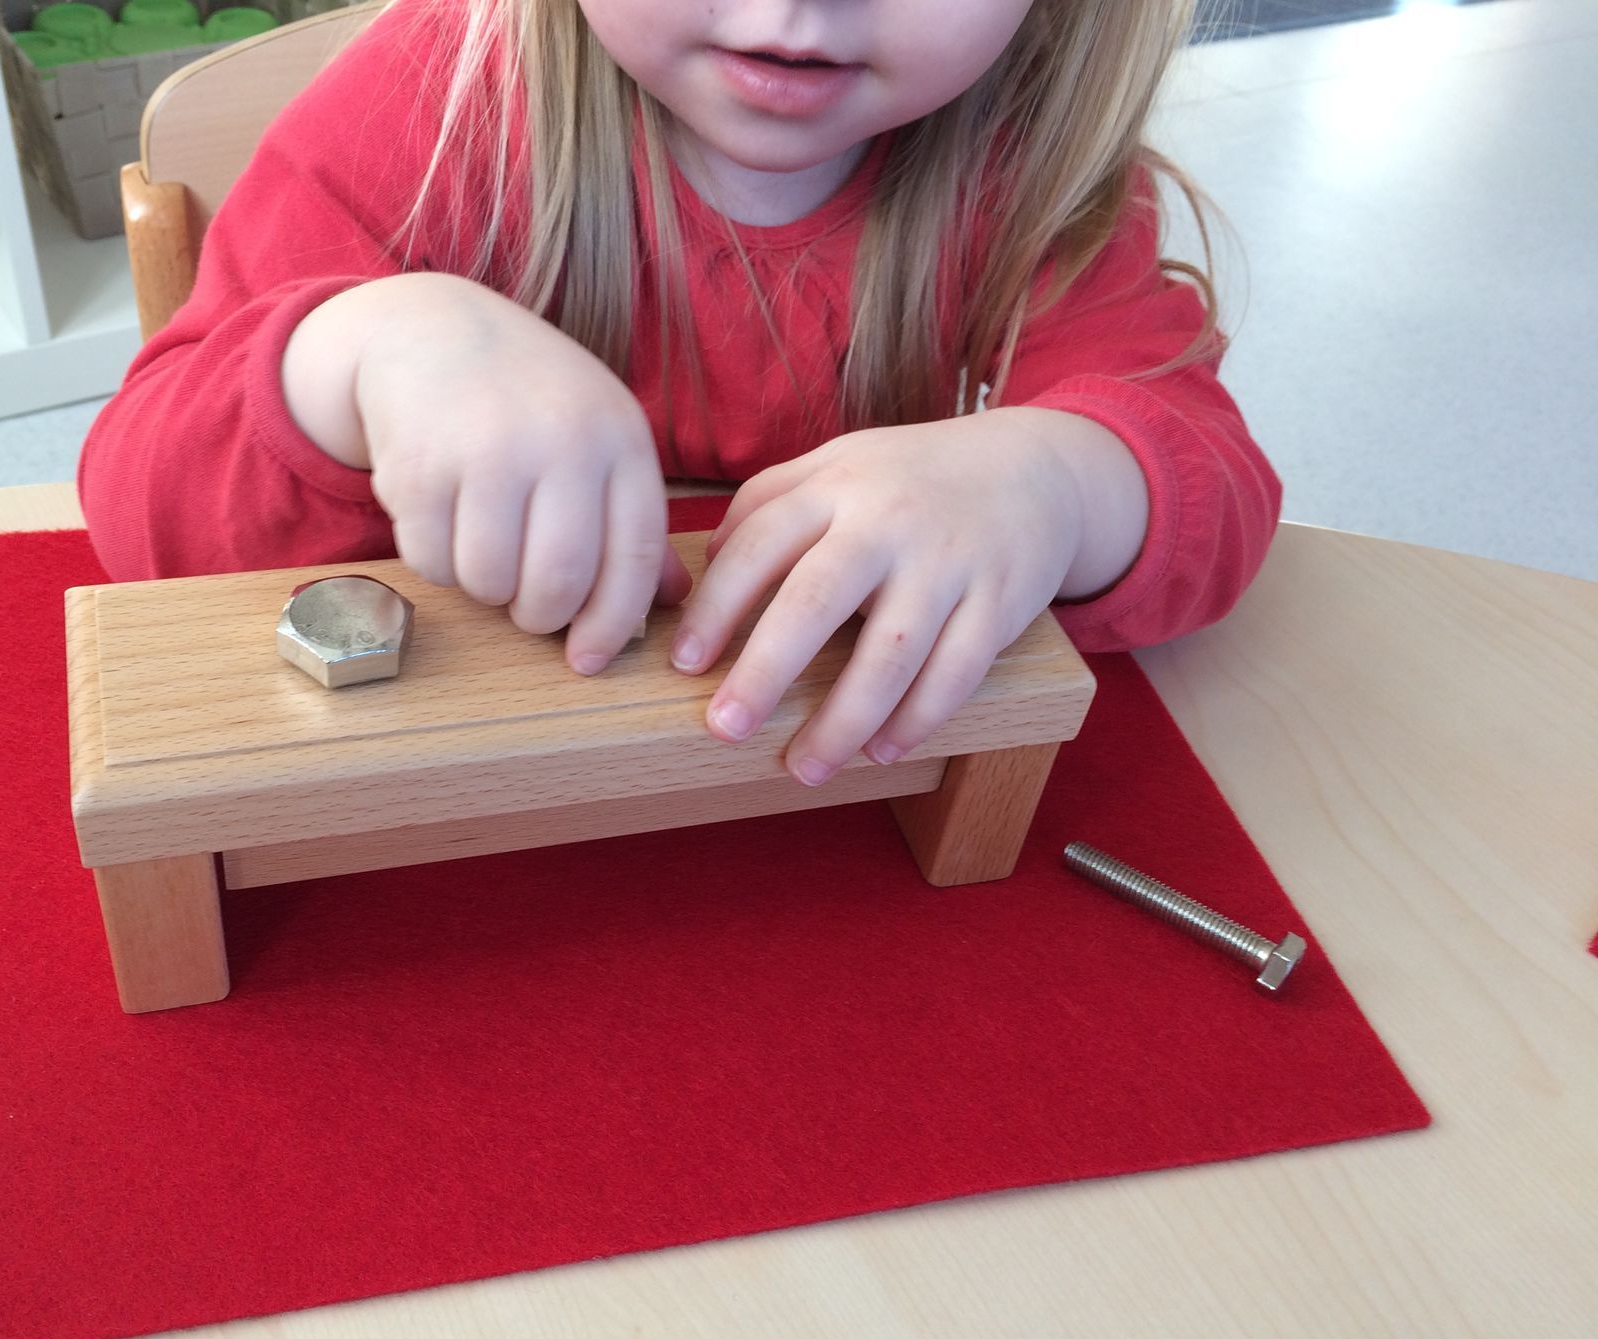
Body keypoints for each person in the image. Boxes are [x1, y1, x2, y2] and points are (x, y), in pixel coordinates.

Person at [79, 0, 1280, 787]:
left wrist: (1058, 478)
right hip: (446, 811)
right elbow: (144, 513)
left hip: (809, 839)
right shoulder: (427, 111)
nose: (799, 8)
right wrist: (355, 356)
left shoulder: (1031, 157)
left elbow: (1209, 482)